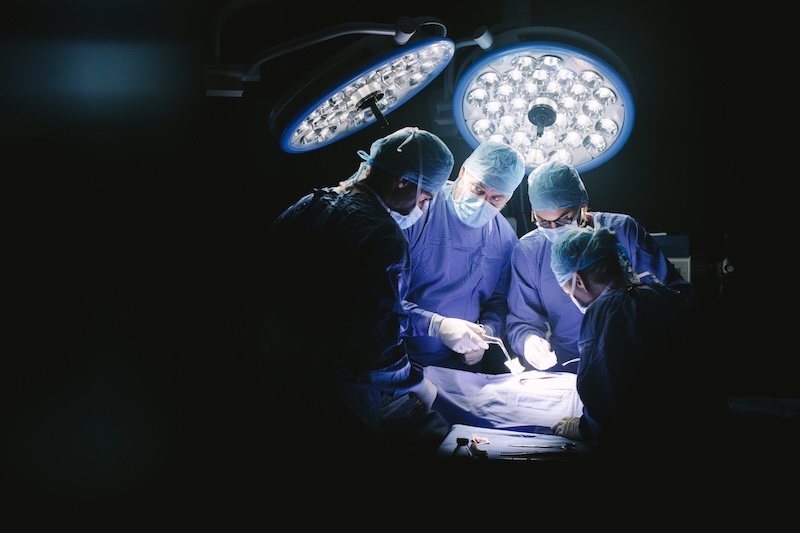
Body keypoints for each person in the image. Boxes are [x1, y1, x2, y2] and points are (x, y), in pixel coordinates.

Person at [255, 126, 455, 459]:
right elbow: (375, 347)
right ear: (403, 181)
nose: (422, 205)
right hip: (332, 400)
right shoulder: (382, 236)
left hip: (272, 380)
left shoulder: (307, 205)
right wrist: (414, 382)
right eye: (425, 196)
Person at [548, 226, 729, 462]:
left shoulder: (605, 313)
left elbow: (610, 405)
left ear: (578, 282)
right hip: (707, 438)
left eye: (567, 291)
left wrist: (584, 428)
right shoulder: (663, 295)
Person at [507, 160, 692, 373]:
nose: (554, 229)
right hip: (569, 367)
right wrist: (529, 341)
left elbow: (676, 296)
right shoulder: (528, 251)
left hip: (638, 357)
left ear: (583, 206)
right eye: (543, 222)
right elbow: (521, 321)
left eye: (565, 219)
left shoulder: (623, 231)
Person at [400, 141, 526, 372]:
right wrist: (435, 326)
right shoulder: (419, 210)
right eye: (478, 190)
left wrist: (486, 335)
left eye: (496, 198)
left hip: (457, 368)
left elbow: (498, 302)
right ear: (463, 173)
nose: (483, 202)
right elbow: (379, 297)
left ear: (508, 198)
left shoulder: (505, 238)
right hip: (398, 356)